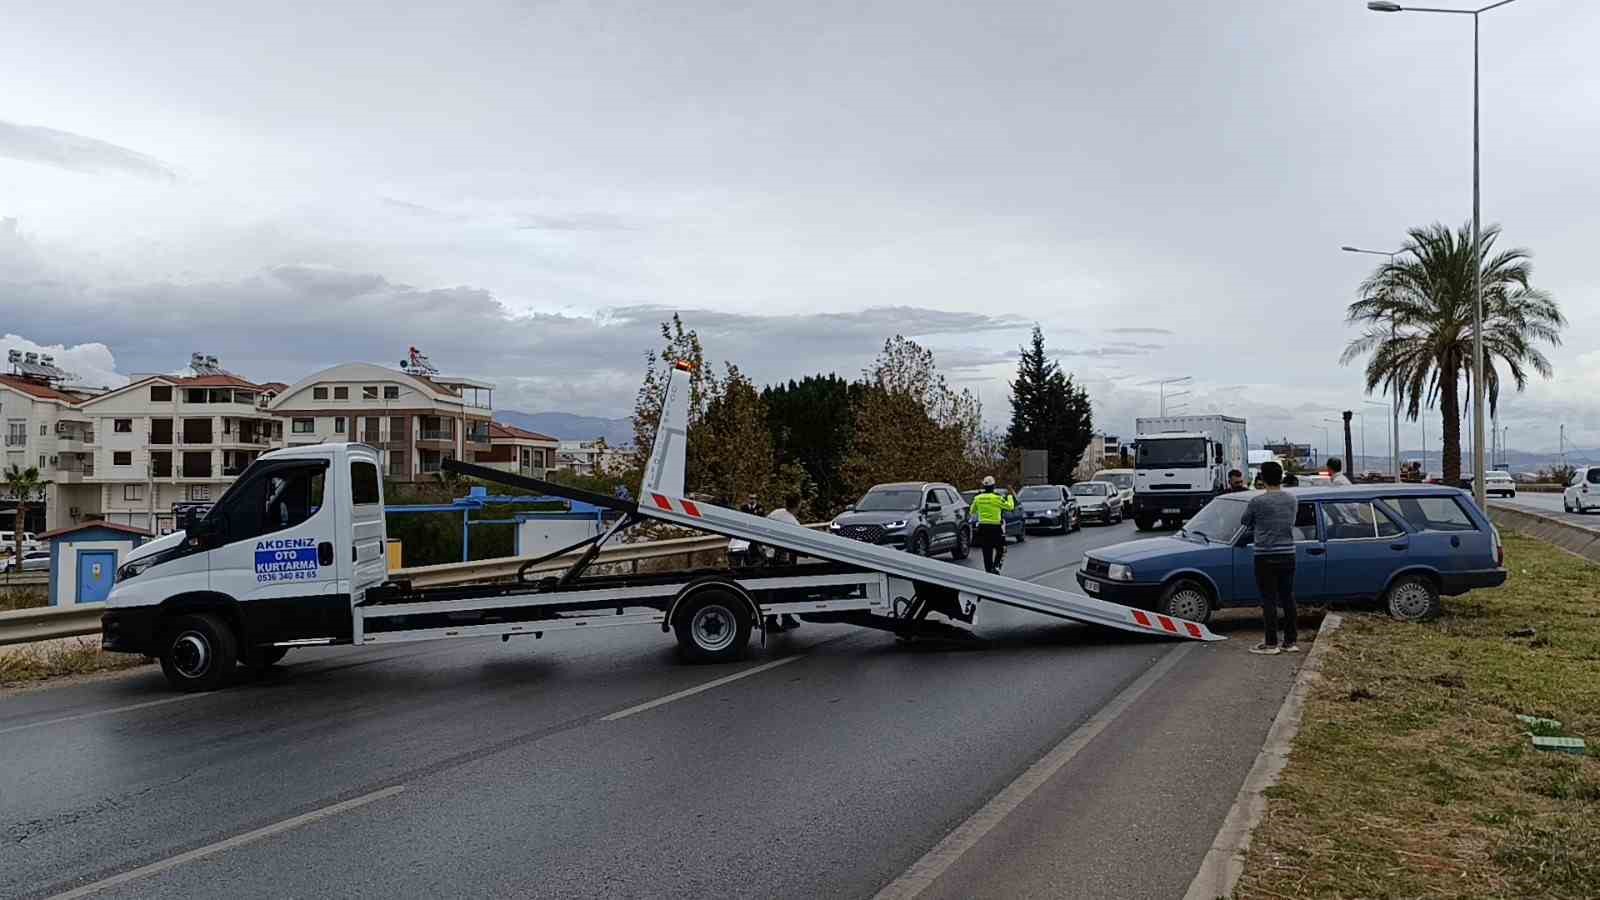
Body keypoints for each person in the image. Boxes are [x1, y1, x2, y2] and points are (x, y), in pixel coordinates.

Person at [1241, 461, 1298, 655]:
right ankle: (1290, 642)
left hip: (1265, 554)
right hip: (1288, 553)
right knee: (1288, 598)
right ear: (1281, 477)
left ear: (1262, 479)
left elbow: (1245, 521)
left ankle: (1271, 643)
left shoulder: (1257, 502)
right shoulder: (1292, 500)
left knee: (1269, 600)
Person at [764, 495, 802, 631]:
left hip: (769, 556)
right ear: (798, 505)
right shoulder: (793, 523)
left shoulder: (775, 513)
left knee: (773, 588)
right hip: (783, 560)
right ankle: (778, 619)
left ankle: (779, 619)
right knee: (784, 589)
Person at [970, 476, 1015, 574]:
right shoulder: (997, 498)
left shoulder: (978, 498)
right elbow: (1010, 507)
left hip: (982, 528)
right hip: (995, 528)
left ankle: (988, 572)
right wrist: (1010, 496)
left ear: (984, 486)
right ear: (993, 486)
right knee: (1002, 549)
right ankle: (996, 567)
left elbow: (972, 511)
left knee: (987, 552)